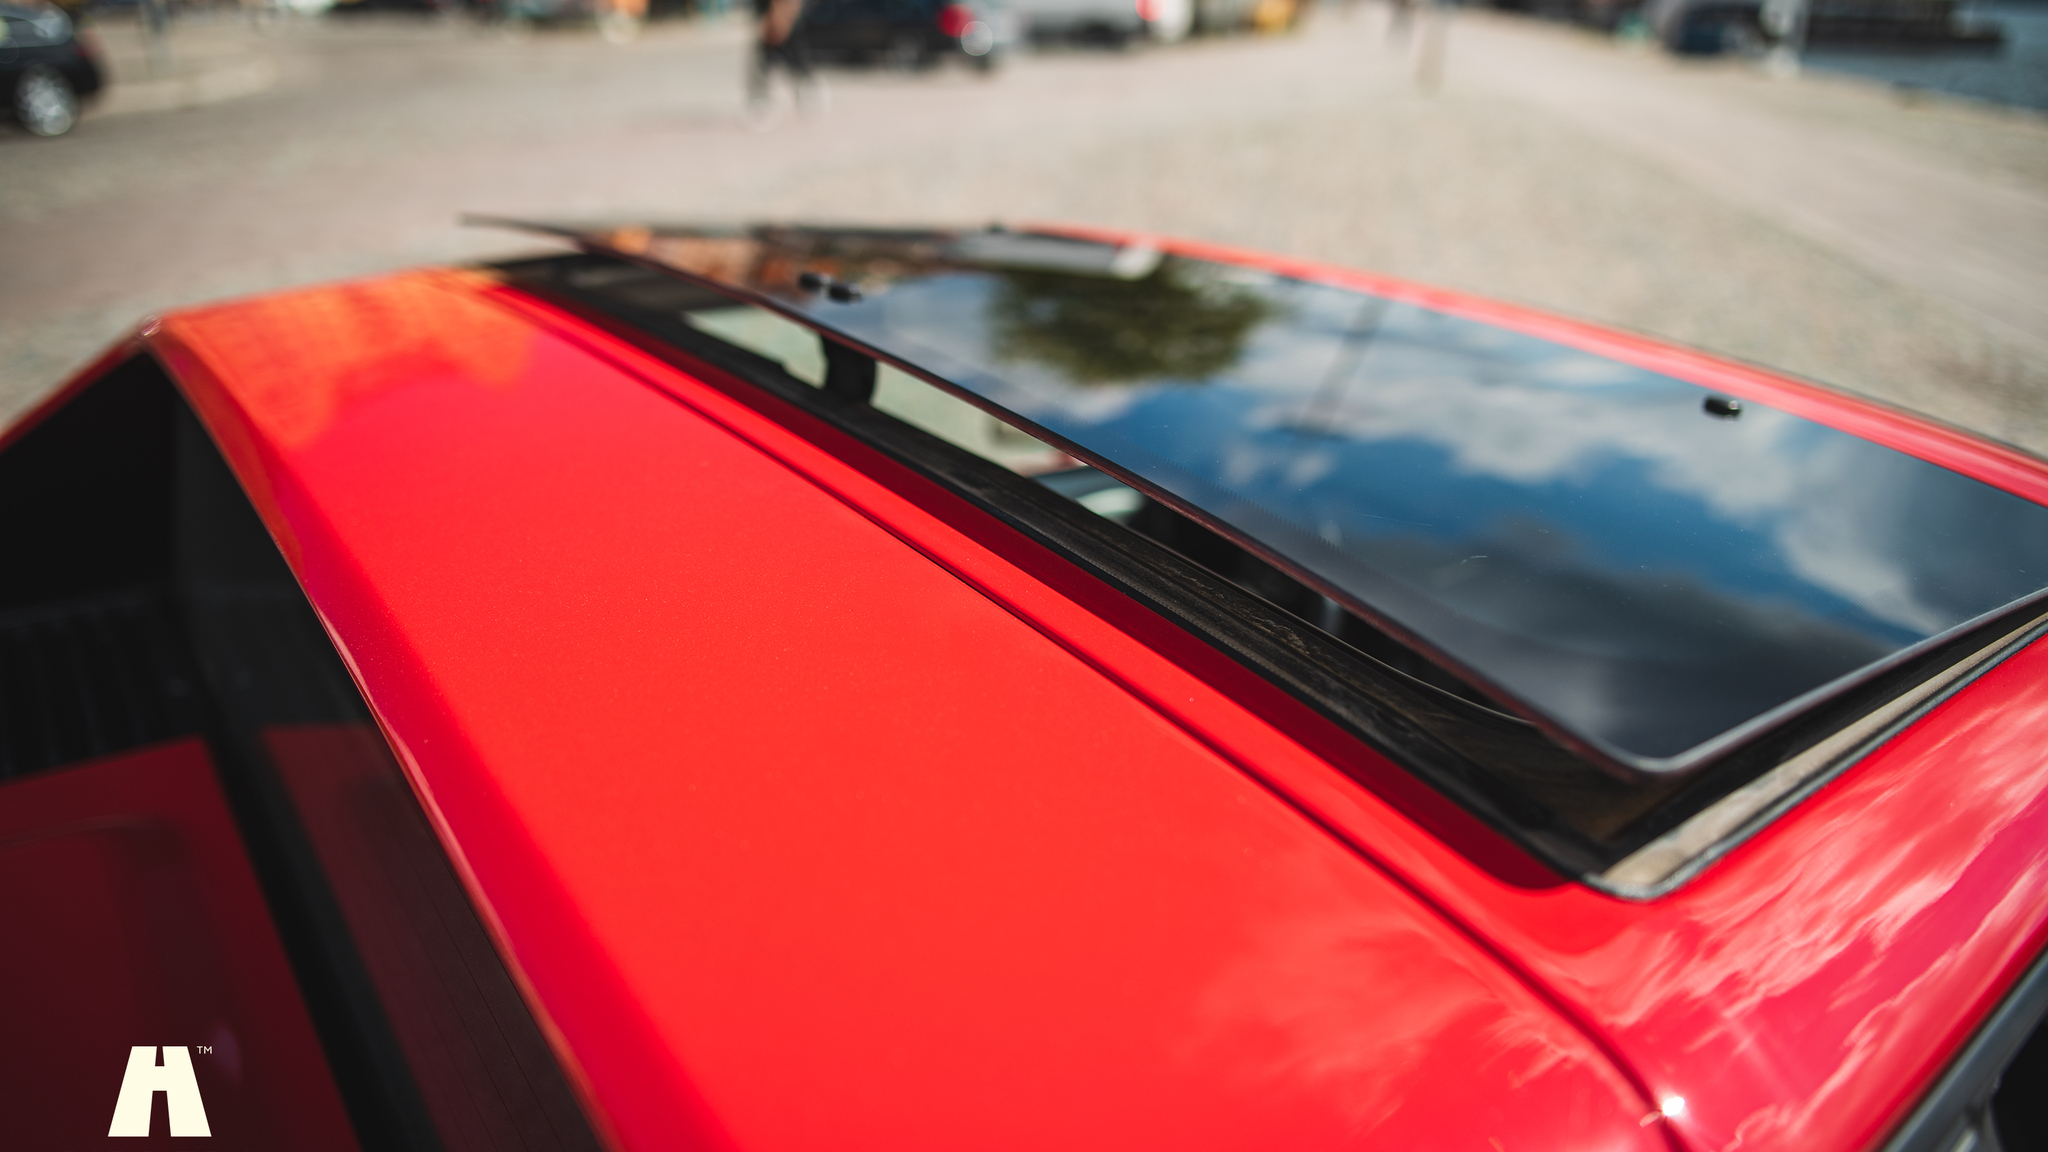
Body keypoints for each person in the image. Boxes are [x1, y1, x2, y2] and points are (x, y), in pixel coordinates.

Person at [748, 0, 815, 113]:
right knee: (767, 53)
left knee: (790, 50)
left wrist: (783, 14)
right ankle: (760, 99)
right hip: (769, 11)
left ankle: (807, 86)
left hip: (783, 10)